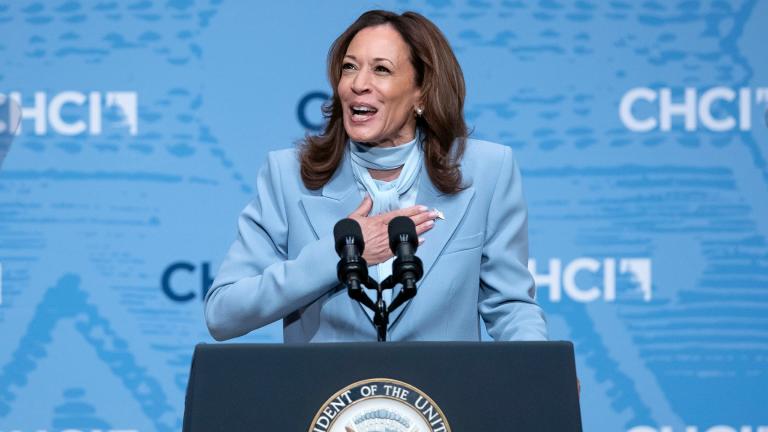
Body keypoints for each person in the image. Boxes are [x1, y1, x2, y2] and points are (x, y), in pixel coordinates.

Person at [204, 10, 547, 342]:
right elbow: (224, 312)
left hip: (443, 397)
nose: (358, 84)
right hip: (325, 398)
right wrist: (335, 258)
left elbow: (511, 306)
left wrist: (543, 371)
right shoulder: (288, 176)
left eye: (381, 70)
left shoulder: (486, 171)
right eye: (349, 68)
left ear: (422, 92)